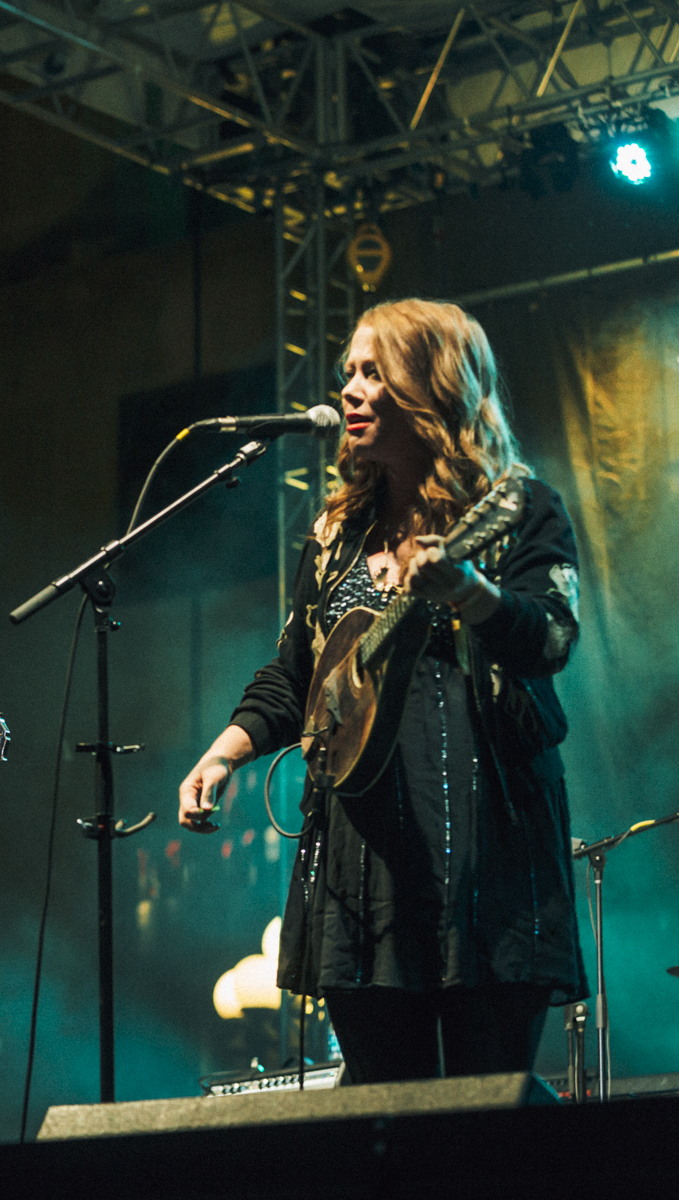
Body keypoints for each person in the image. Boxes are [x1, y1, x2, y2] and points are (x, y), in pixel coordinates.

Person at [177, 299, 586, 1084]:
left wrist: (469, 591)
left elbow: (552, 639)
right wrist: (223, 754)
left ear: (434, 385)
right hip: (361, 864)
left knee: (485, 1113)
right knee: (379, 1113)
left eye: (374, 371)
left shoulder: (521, 509)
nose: (351, 390)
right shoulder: (336, 538)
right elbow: (295, 674)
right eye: (348, 373)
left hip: (489, 853)